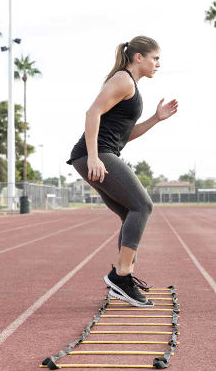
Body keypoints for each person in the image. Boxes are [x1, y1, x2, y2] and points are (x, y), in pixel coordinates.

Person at [66, 36, 178, 307]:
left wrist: (155, 118)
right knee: (143, 206)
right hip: (94, 155)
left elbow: (123, 135)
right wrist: (94, 157)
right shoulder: (123, 80)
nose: (158, 64)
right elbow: (92, 113)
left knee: (131, 212)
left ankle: (122, 277)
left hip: (101, 153)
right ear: (138, 57)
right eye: (155, 58)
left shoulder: (131, 86)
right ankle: (121, 275)